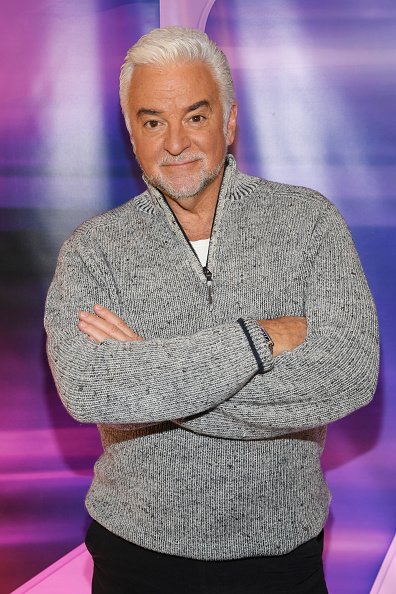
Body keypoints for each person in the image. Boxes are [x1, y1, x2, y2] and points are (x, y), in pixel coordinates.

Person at [44, 26, 379, 594]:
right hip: (136, 558)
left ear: (228, 122)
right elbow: (89, 391)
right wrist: (257, 340)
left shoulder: (309, 224)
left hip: (279, 558)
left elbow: (347, 375)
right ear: (132, 137)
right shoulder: (93, 250)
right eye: (153, 121)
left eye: (195, 117)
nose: (175, 142)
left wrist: (151, 375)